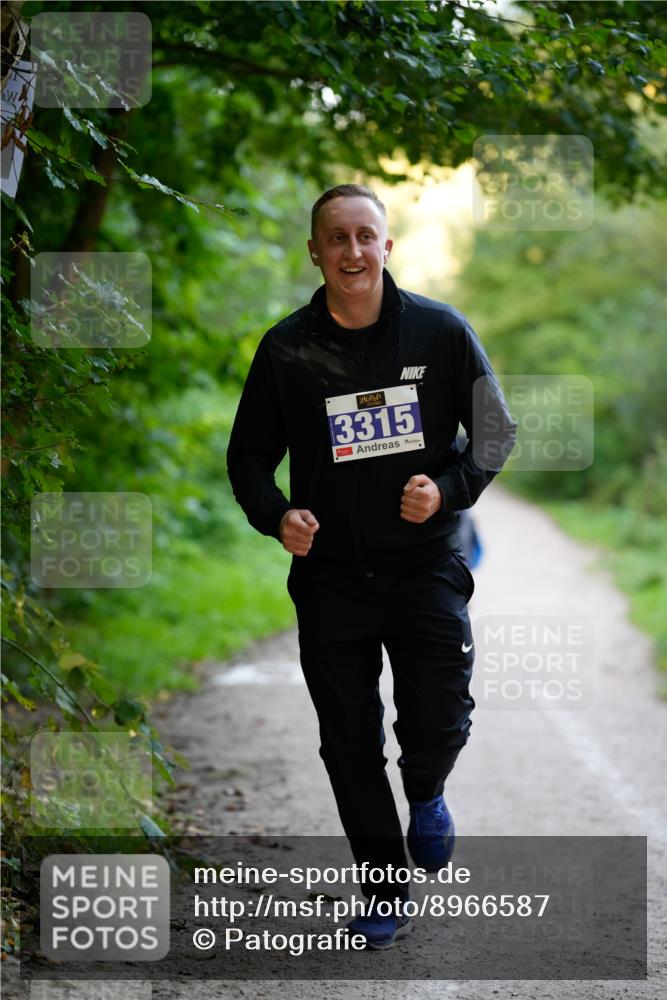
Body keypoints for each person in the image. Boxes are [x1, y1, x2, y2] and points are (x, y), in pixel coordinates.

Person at [227, 184, 516, 949]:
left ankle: (426, 791)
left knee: (436, 718)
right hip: (330, 579)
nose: (353, 251)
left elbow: (494, 431)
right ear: (315, 252)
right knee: (347, 740)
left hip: (424, 569)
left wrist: (448, 487)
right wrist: (275, 514)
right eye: (337, 239)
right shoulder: (284, 348)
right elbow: (249, 456)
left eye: (366, 236)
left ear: (387, 246)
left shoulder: (439, 331)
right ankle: (383, 890)